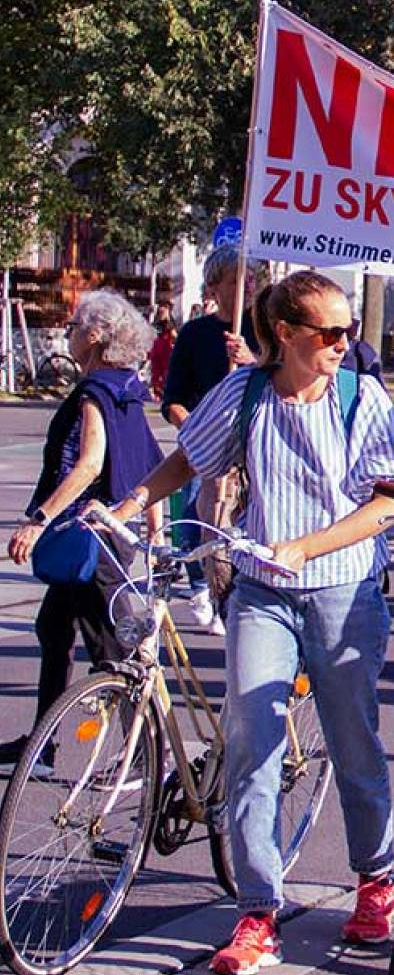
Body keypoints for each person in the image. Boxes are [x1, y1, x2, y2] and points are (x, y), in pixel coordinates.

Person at [106, 269, 394, 975]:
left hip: (342, 590)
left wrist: (307, 545)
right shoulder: (247, 392)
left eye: (349, 330)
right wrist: (132, 504)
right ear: (285, 334)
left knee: (352, 739)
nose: (345, 343)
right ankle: (257, 912)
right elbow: (191, 455)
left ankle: (376, 877)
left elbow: (390, 500)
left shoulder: (358, 396)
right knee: (250, 745)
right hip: (262, 591)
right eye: (330, 332)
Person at [1, 291, 164, 771]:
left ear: (95, 337)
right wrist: (152, 530)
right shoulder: (127, 391)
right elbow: (151, 463)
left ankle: (143, 758)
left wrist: (39, 520)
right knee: (53, 628)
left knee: (115, 649)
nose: (70, 331)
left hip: (89, 538)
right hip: (102, 538)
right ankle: (43, 747)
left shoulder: (95, 394)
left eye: (75, 325)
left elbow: (90, 463)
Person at [160, 245, 262, 635]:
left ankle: (242, 605)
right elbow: (174, 400)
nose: (247, 286)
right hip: (208, 450)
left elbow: (279, 378)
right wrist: (192, 430)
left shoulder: (265, 327)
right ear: (216, 286)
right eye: (238, 279)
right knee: (199, 525)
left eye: (252, 278)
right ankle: (207, 589)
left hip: (250, 452)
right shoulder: (195, 335)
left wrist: (250, 358)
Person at [147, 302, 176, 400]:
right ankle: (158, 394)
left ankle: (164, 395)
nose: (162, 311)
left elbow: (175, 337)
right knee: (156, 375)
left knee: (165, 375)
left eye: (164, 309)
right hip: (157, 349)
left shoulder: (171, 325)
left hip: (166, 351)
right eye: (161, 309)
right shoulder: (156, 324)